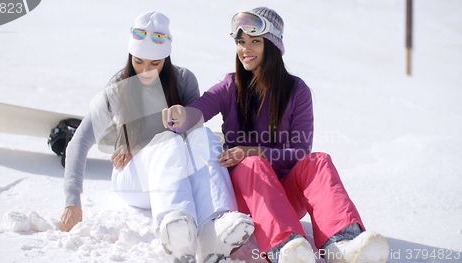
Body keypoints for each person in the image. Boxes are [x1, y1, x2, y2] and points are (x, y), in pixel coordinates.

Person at [162, 7, 390, 263]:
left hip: (284, 195)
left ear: (272, 46)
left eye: (255, 42)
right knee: (253, 165)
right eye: (240, 42)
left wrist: (253, 151)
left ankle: (342, 244)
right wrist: (182, 115)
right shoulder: (231, 86)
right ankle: (285, 249)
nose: (245, 49)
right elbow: (199, 110)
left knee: (318, 161)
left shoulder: (296, 91)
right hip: (247, 199)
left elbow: (299, 153)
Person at [61, 11, 254, 263]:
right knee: (169, 140)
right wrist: (72, 200)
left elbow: (192, 132)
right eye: (139, 61)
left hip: (174, 174)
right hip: (132, 178)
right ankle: (174, 228)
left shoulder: (183, 80)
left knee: (202, 133)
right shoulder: (116, 89)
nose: (146, 70)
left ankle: (213, 228)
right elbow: (79, 142)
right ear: (131, 56)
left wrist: (142, 142)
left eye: (155, 63)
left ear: (167, 57)